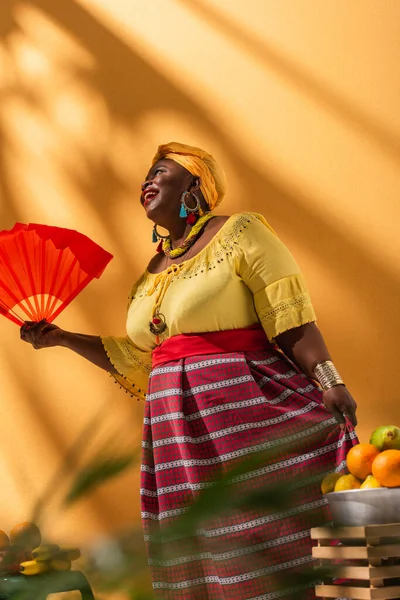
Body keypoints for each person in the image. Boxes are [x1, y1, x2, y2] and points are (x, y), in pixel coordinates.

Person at [21, 142, 358, 600]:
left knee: (256, 530)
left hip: (243, 410)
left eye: (160, 172)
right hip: (176, 432)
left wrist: (330, 381)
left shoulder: (240, 232)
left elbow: (291, 315)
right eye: (146, 175)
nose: (147, 181)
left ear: (195, 185)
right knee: (203, 542)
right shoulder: (152, 272)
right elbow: (140, 361)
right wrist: (62, 338)